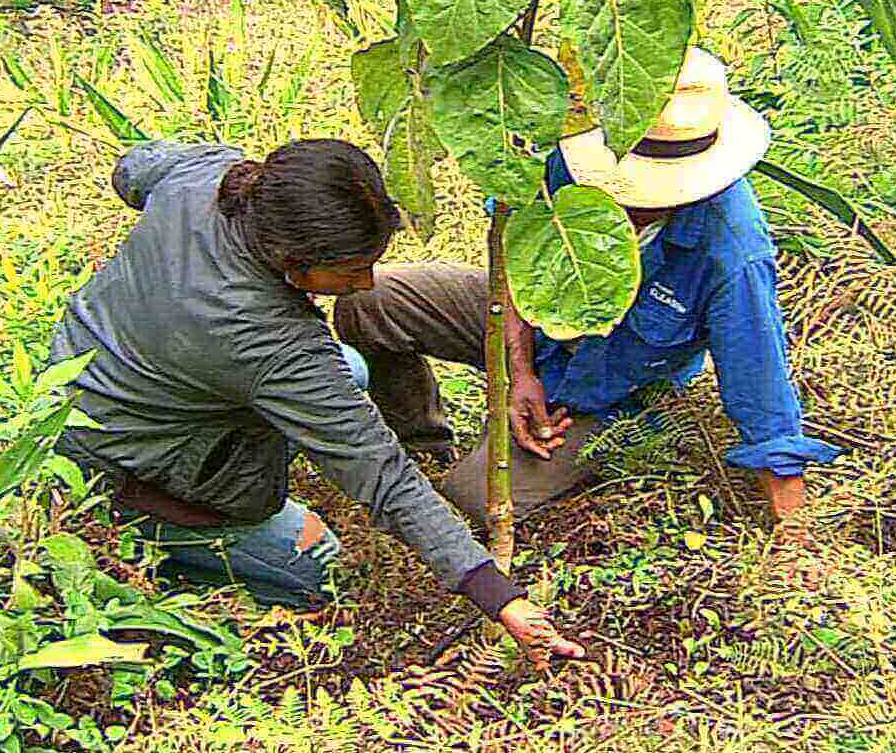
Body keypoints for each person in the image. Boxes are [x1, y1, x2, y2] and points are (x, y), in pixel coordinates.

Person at [50, 138, 583, 659]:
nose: (366, 283)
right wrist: (501, 597)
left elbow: (134, 167)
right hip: (118, 460)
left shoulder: (212, 178)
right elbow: (381, 474)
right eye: (352, 270)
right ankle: (153, 537)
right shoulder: (268, 344)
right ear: (291, 257)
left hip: (71, 375)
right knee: (316, 564)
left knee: (348, 370)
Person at [336, 48, 842, 536]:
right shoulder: (569, 156)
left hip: (613, 386)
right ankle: (421, 440)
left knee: (471, 497)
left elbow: (760, 381)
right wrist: (520, 371)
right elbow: (517, 251)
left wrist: (793, 534)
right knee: (370, 302)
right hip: (530, 322)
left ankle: (590, 450)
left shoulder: (729, 249)